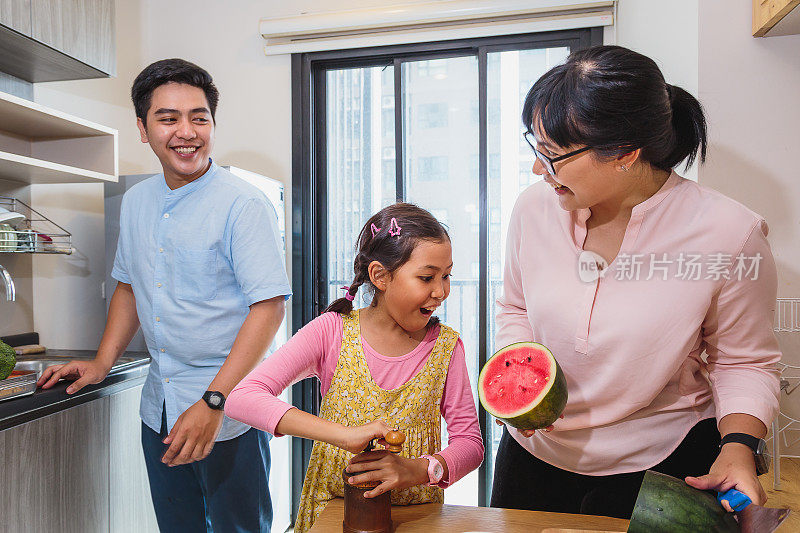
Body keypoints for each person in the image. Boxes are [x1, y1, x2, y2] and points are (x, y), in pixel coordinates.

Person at [490, 45, 780, 519]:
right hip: (532, 454)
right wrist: (522, 383)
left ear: (625, 153)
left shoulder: (730, 233)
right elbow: (516, 309)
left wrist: (739, 447)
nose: (539, 170)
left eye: (555, 155)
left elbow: (744, 360)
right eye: (536, 148)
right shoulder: (532, 209)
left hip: (662, 462)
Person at [37, 58, 291, 532]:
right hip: (159, 407)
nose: (186, 132)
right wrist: (101, 362)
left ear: (213, 124)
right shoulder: (136, 202)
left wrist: (215, 402)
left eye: (199, 117)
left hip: (228, 410)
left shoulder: (242, 204)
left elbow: (269, 307)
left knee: (240, 529)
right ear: (142, 127)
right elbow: (130, 287)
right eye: (168, 118)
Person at [226, 203, 484, 532]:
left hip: (416, 519)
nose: (441, 291)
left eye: (447, 275)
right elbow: (242, 397)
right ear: (380, 276)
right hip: (332, 513)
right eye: (426, 277)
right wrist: (345, 436)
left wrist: (417, 470)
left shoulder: (447, 347)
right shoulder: (331, 330)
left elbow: (470, 443)